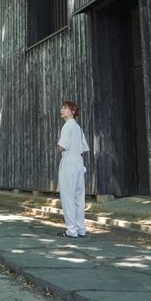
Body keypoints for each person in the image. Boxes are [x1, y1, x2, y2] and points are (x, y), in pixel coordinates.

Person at [57, 101, 89, 238]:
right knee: (78, 197)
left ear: (72, 111)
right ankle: (81, 228)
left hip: (69, 161)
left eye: (64, 108)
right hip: (79, 162)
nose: (61, 110)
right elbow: (84, 147)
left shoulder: (67, 126)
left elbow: (62, 146)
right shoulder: (78, 127)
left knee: (67, 196)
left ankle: (71, 230)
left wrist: (59, 148)